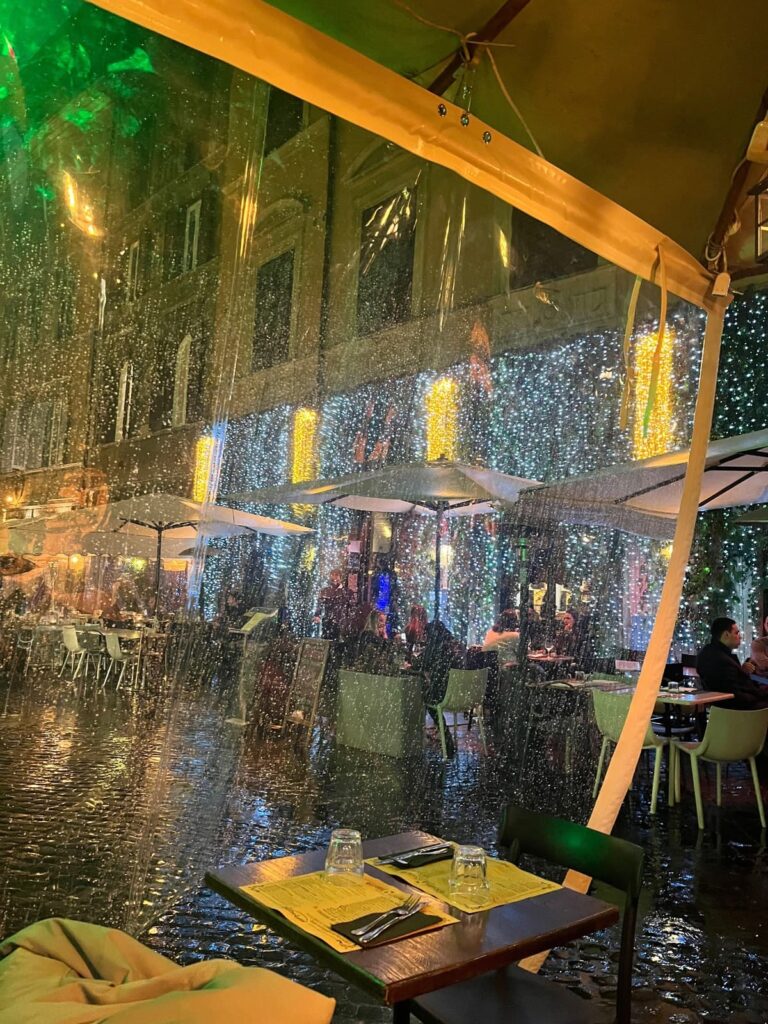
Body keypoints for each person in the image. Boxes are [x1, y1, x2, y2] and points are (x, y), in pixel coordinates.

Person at [696, 617, 768, 710]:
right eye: (736, 633)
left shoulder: (709, 653)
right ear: (726, 634)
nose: (740, 637)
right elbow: (735, 696)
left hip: (725, 709)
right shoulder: (721, 660)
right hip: (739, 711)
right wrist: (760, 696)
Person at [313, 569, 354, 640]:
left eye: (336, 575)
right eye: (332, 575)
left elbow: (351, 607)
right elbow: (320, 604)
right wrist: (317, 615)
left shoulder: (347, 592)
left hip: (341, 622)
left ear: (341, 577)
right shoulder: (325, 591)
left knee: (339, 642)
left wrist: (349, 621)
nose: (334, 578)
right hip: (327, 621)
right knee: (326, 640)